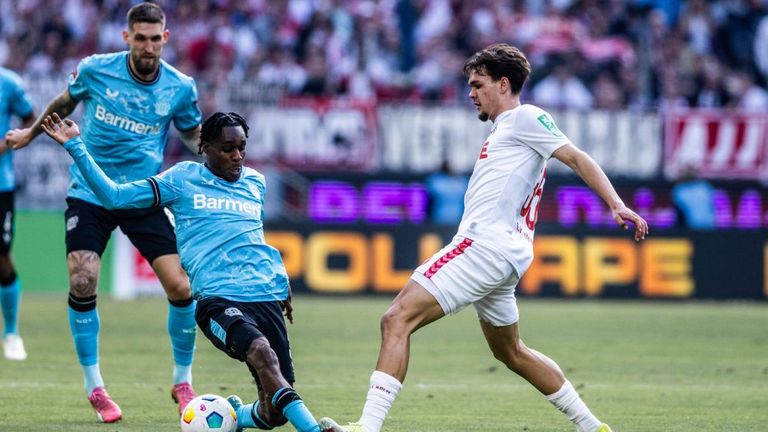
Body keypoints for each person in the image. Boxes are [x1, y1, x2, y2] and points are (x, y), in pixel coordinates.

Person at [319, 44, 649, 432]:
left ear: (503, 84)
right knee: (511, 352)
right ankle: (593, 427)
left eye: (477, 84)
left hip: (483, 246)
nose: (470, 93)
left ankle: (367, 427)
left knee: (396, 319)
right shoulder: (505, 129)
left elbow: (576, 156)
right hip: (504, 254)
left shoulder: (526, 117)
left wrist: (615, 204)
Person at [42, 111, 326, 432]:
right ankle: (315, 430)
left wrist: (280, 281)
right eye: (227, 148)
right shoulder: (181, 180)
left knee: (275, 412)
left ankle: (235, 415)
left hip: (264, 296)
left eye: (242, 147)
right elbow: (114, 196)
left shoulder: (255, 182)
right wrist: (76, 146)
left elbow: (252, 239)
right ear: (204, 147)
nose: (237, 156)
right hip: (218, 301)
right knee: (262, 354)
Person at [6, 2, 201, 422]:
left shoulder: (181, 87)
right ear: (127, 37)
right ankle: (95, 387)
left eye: (155, 39)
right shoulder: (96, 69)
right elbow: (64, 100)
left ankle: (183, 381)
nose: (148, 47)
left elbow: (191, 132)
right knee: (82, 278)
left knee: (182, 287)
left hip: (141, 194)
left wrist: (219, 157)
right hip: (90, 191)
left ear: (165, 39)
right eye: (141, 38)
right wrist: (29, 133)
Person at [0, 67, 35, 361]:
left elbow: (30, 119)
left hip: (1, 184)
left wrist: (10, 142)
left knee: (2, 258)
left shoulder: (9, 83)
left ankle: (11, 332)